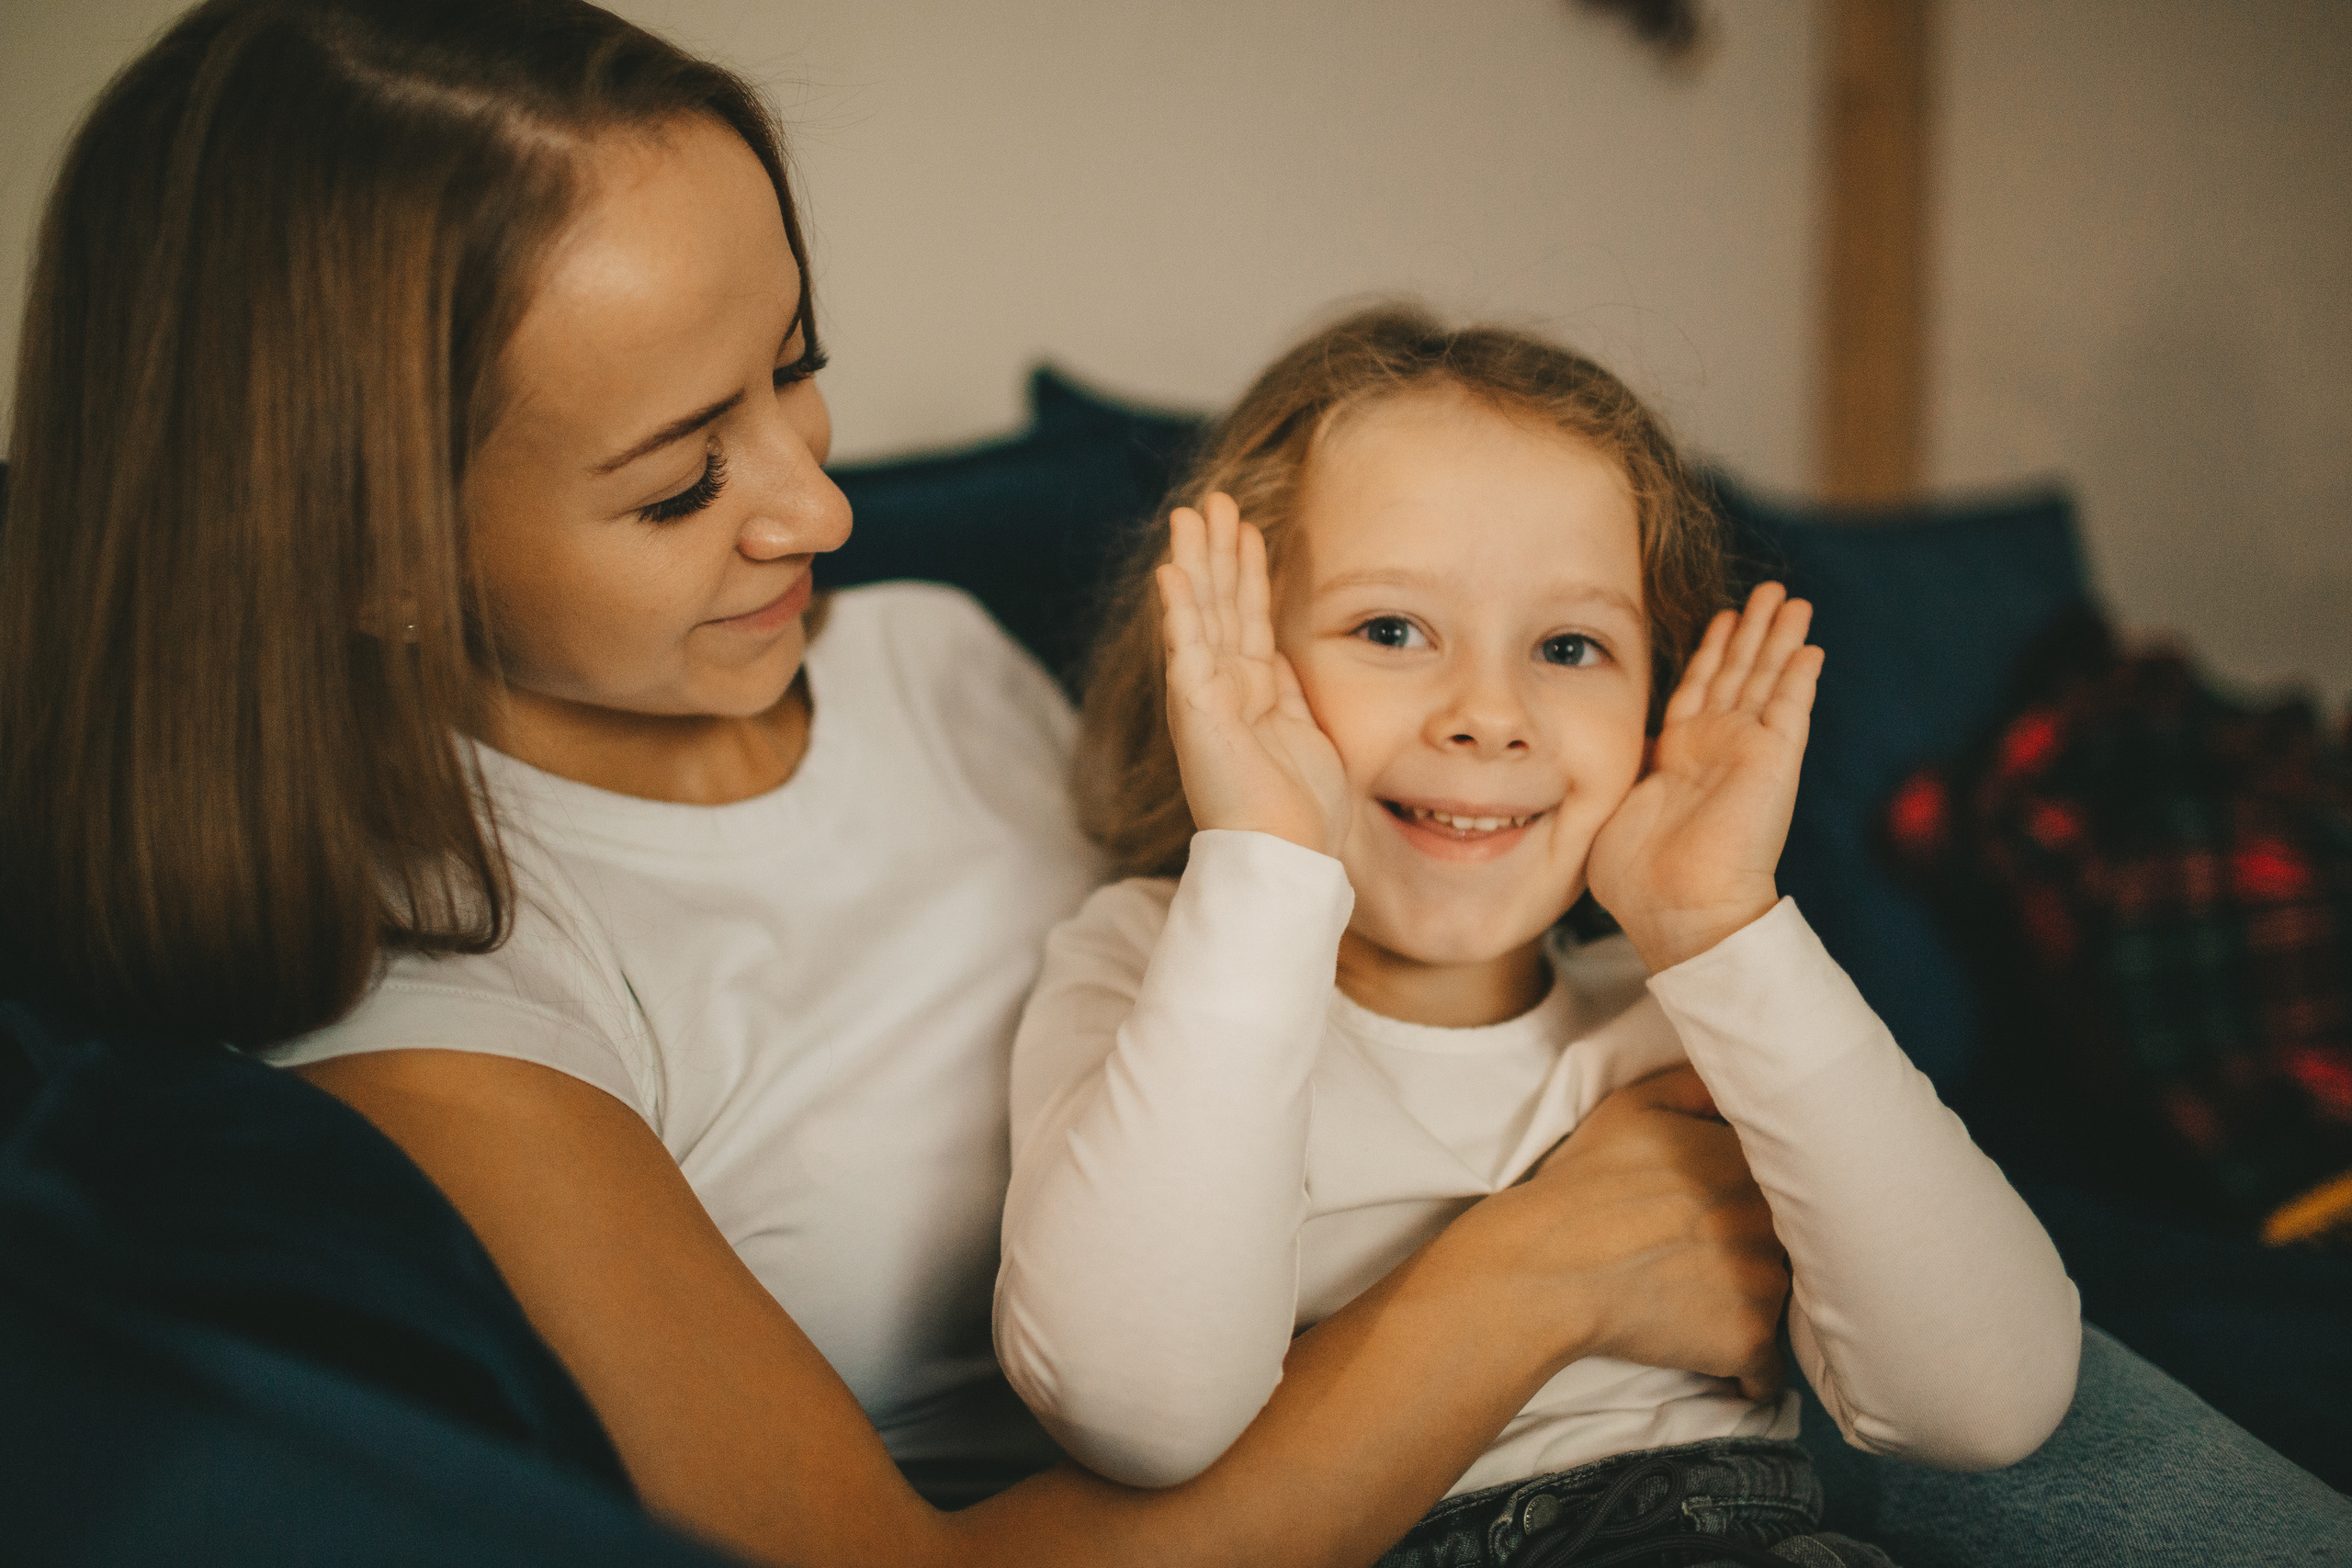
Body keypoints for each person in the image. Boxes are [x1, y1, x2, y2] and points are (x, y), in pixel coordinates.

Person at [2, 3, 2345, 1566]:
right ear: (359, 547)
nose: (818, 507)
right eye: (675, 471)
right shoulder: (458, 1019)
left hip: (1712, 1337)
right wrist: (1523, 1274)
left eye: (799, 375)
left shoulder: (917, 654)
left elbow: (1313, 940)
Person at [995, 309, 2080, 1565]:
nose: (1491, 715)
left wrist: (1718, 927)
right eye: (1392, 630)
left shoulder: (1699, 1006)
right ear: (1238, 661)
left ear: (1652, 707)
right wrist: (1269, 862)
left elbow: (1987, 1401)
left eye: (1570, 646)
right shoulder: (1151, 967)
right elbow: (1138, 1410)